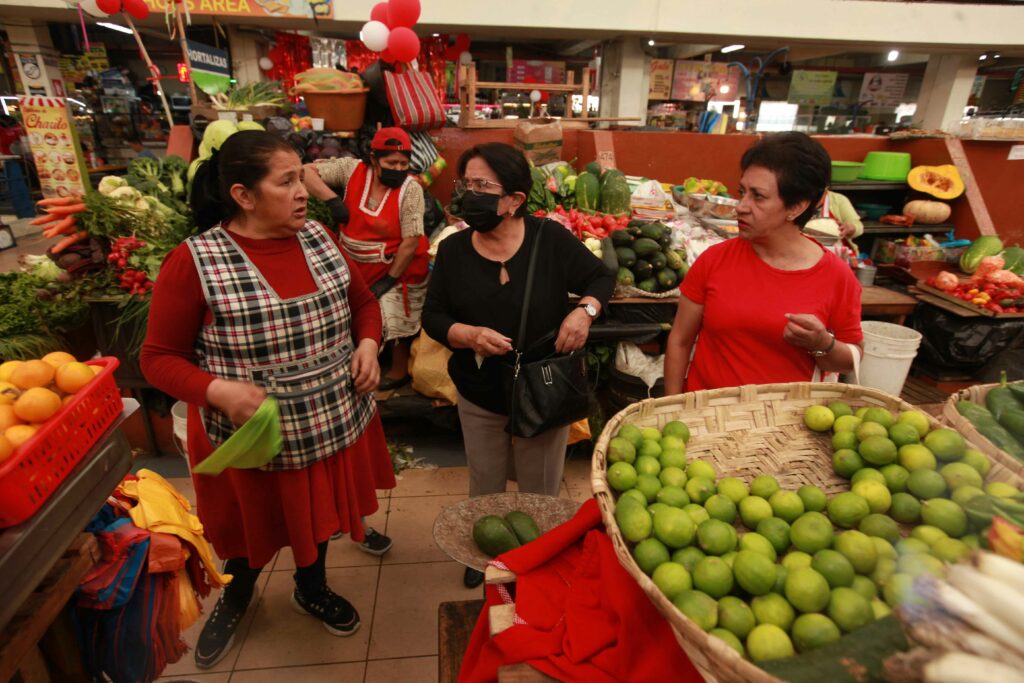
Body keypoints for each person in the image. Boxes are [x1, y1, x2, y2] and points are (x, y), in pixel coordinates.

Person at [140, 130, 396, 669]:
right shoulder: (195, 261)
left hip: (329, 422)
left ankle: (311, 587)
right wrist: (215, 390)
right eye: (287, 181)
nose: (305, 189)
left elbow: (363, 303)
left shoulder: (322, 241)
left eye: (303, 175)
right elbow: (157, 358)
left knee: (317, 518)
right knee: (250, 529)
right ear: (243, 195)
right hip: (253, 440)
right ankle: (237, 595)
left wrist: (368, 344)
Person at [422, 142, 615, 587]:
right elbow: (433, 317)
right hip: (481, 387)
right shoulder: (453, 252)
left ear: (514, 200)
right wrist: (466, 335)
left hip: (543, 386)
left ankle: (535, 557)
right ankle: (483, 556)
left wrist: (582, 312)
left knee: (539, 485)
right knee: (484, 480)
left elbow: (600, 277)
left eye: (482, 185)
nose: (470, 194)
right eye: (466, 184)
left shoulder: (550, 240)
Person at [664, 132, 863, 394]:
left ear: (797, 207)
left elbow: (851, 359)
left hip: (782, 426)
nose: (741, 207)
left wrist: (822, 343)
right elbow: (679, 341)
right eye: (742, 192)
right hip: (707, 417)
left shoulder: (836, 276)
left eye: (758, 196)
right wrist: (674, 409)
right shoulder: (715, 260)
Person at [303, 127, 429, 391]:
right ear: (373, 159)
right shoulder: (352, 170)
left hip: (398, 265)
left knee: (393, 315)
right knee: (349, 311)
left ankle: (397, 368)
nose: (398, 168)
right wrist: (331, 200)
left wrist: (389, 279)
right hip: (354, 262)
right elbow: (305, 172)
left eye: (403, 163)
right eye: (391, 162)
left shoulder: (411, 189)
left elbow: (410, 242)